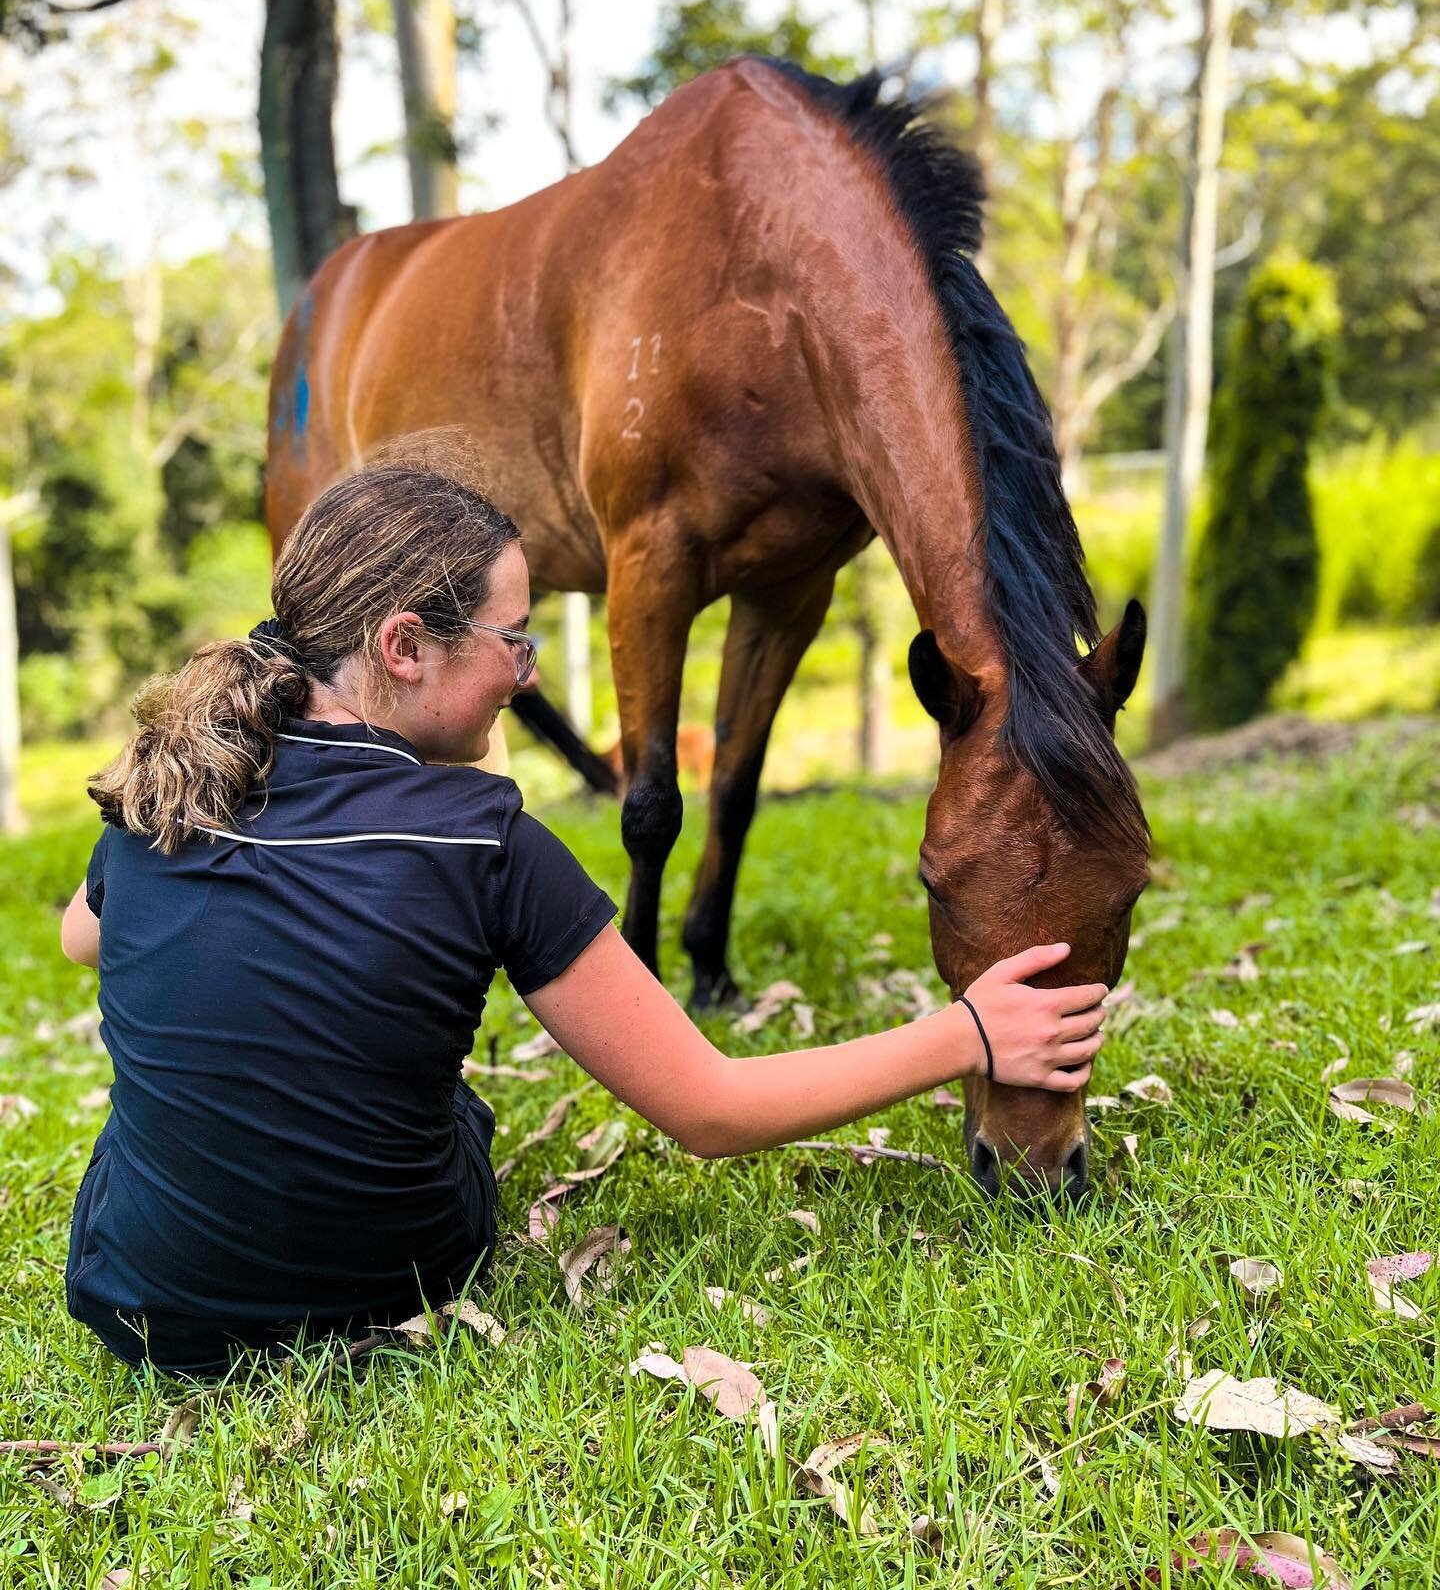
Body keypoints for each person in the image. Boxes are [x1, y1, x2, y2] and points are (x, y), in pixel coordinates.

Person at [58, 455, 1108, 1381]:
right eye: (513, 640)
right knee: (454, 1116)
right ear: (405, 645)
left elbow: (82, 937)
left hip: (144, 1310)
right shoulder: (482, 835)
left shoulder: (174, 788)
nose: (528, 673)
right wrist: (966, 1034)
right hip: (392, 1282)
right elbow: (711, 1109)